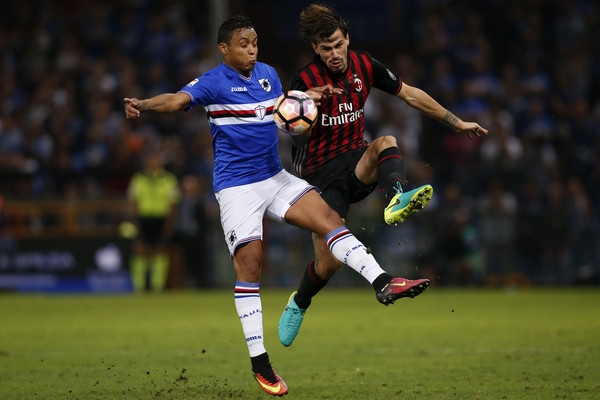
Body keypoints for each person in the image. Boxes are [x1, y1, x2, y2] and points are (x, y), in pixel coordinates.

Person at [124, 15, 430, 397]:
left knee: (329, 219)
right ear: (224, 48)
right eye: (243, 44)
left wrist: (307, 98)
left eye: (254, 43)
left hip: (274, 177)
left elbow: (282, 109)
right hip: (237, 188)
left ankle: (384, 282)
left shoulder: (268, 74)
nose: (252, 50)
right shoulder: (213, 82)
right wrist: (144, 104)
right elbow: (176, 100)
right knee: (250, 266)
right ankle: (260, 362)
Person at [278, 3, 488, 347]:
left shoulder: (364, 65)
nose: (334, 54)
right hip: (320, 178)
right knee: (328, 264)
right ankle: (299, 302)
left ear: (347, 38)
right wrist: (308, 107)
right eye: (326, 48)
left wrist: (456, 122)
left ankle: (396, 197)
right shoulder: (304, 82)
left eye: (338, 44)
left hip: (356, 161)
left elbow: (410, 94)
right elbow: (296, 138)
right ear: (315, 48)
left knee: (385, 142)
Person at [126, 149, 180, 292]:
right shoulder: (138, 178)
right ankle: (139, 285)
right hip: (143, 218)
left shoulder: (169, 179)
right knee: (140, 250)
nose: (154, 163)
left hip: (161, 218)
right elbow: (133, 200)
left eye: (156, 160)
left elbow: (173, 203)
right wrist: (135, 220)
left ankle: (157, 285)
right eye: (151, 160)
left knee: (160, 250)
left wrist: (169, 223)